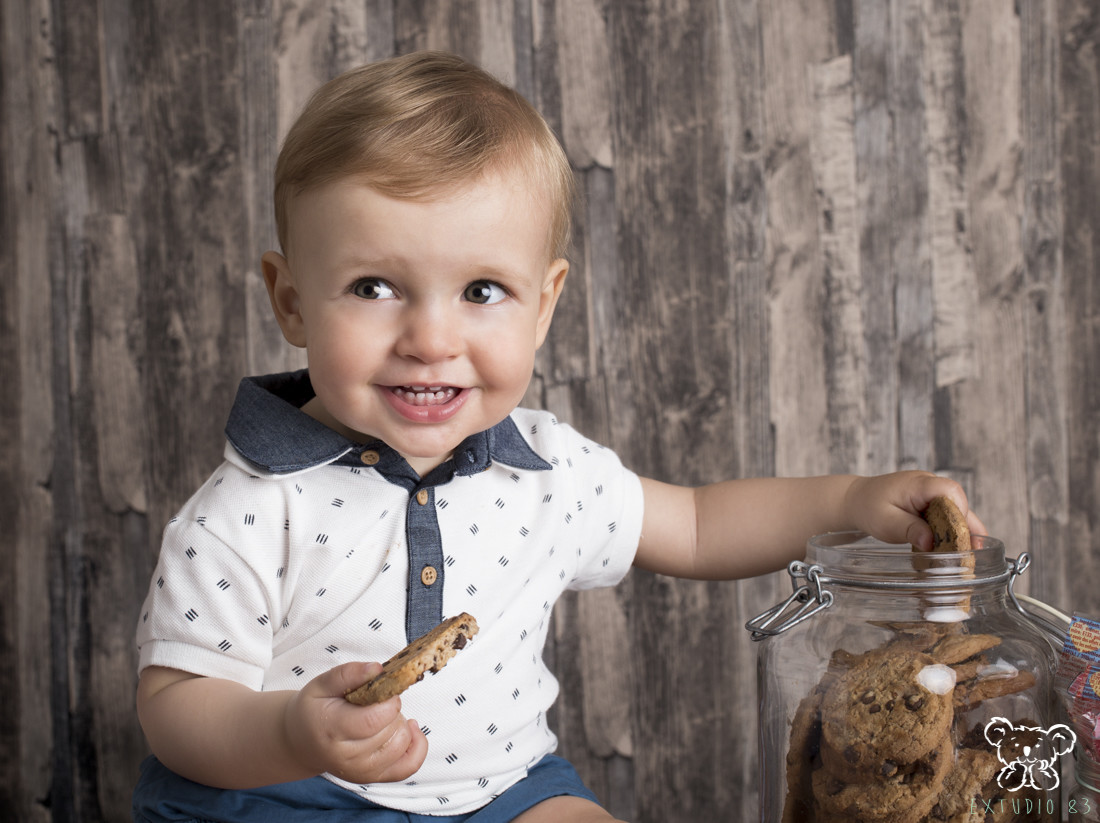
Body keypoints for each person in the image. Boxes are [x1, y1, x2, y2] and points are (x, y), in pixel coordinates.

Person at [131, 50, 983, 823]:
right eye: (374, 285)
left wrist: (849, 499)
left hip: (503, 792)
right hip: (288, 796)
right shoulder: (252, 505)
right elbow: (177, 709)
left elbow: (694, 524)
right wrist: (292, 731)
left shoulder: (543, 466)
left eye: (481, 291)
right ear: (290, 301)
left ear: (543, 306)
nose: (431, 337)